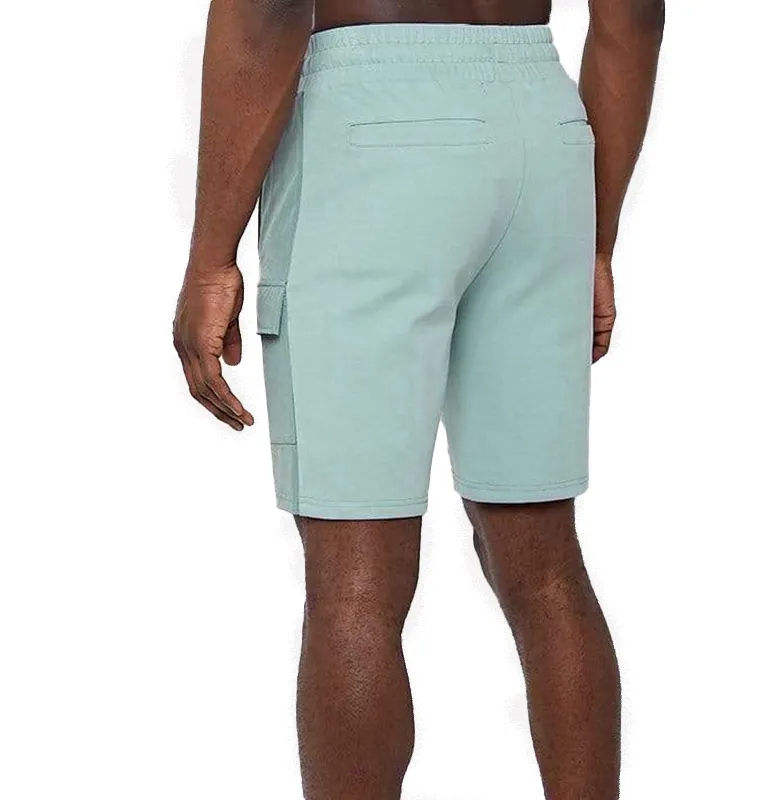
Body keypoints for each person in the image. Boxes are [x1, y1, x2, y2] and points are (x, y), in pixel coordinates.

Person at [173, 0, 663, 796]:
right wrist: (596, 240)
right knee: (543, 564)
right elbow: (633, 18)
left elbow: (267, 12)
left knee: (356, 582)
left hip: (374, 127)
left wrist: (209, 259)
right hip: (543, 127)